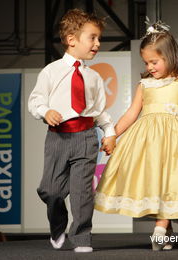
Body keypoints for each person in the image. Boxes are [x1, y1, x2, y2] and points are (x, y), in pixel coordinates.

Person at [94, 21, 178, 251]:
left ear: (170, 56)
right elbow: (131, 113)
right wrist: (112, 133)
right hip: (149, 142)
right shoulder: (145, 84)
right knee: (156, 184)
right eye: (146, 62)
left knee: (173, 182)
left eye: (154, 61)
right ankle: (166, 231)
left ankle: (161, 229)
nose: (150, 66)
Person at [28, 8, 116, 253]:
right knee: (51, 190)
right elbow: (35, 101)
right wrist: (46, 111)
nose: (97, 43)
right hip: (58, 137)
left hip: (87, 138)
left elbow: (98, 111)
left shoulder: (94, 78)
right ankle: (58, 225)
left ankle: (82, 237)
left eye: (99, 38)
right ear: (71, 40)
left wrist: (109, 132)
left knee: (82, 193)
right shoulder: (51, 71)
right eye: (93, 37)